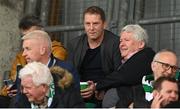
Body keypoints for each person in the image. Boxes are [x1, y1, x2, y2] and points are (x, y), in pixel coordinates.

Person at [0, 14, 68, 97]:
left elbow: (51, 77)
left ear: (43, 33)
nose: (28, 40)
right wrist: (8, 91)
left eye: (32, 35)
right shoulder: (21, 55)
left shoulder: (57, 50)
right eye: (24, 36)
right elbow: (11, 83)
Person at [67, 6, 121, 107]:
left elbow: (118, 73)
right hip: (80, 92)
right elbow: (69, 73)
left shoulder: (115, 43)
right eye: (88, 24)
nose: (91, 28)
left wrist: (97, 87)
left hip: (105, 91)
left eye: (95, 23)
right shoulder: (74, 44)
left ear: (104, 24)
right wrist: (77, 88)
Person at [95, 24, 155, 107]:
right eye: (120, 41)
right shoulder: (125, 60)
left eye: (126, 40)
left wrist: (98, 86)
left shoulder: (147, 55)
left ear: (141, 44)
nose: (121, 44)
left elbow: (124, 76)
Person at [10, 62, 85, 108]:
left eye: (28, 88)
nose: (23, 91)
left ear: (43, 87)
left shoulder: (69, 97)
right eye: (22, 87)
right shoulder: (19, 99)